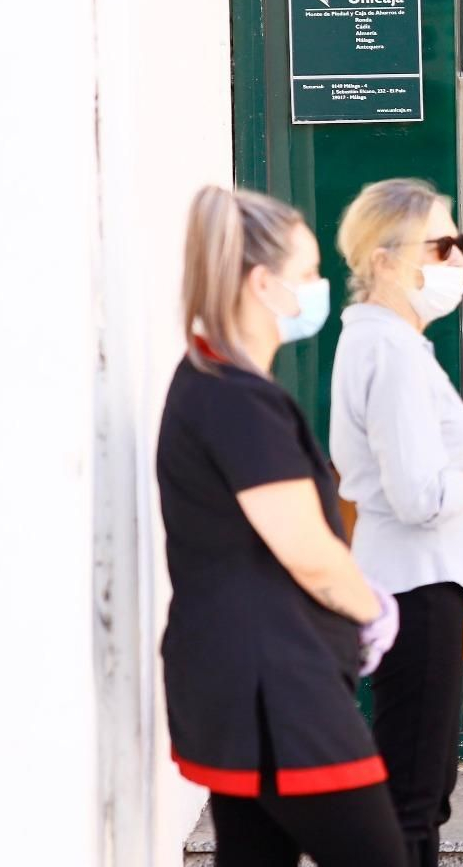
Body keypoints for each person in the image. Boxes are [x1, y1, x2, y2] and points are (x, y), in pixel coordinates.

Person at [157, 186, 405, 867]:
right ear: (262, 283)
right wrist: (374, 608)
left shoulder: (209, 381)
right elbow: (307, 551)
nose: (320, 288)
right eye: (308, 273)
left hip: (241, 681)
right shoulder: (237, 399)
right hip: (279, 689)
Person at [330, 178, 463, 867]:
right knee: (414, 793)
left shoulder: (393, 343)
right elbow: (417, 493)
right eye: (442, 245)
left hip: (419, 584)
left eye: (460, 243)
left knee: (421, 784)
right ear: (386, 260)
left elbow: (409, 446)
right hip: (417, 586)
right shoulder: (389, 350)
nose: (457, 259)